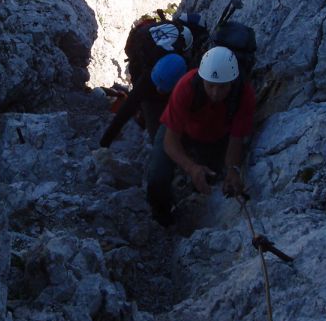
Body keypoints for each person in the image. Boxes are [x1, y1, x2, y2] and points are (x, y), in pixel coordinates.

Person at [146, 46, 256, 226]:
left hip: (214, 137)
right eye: (210, 85)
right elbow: (170, 141)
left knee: (210, 179)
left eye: (222, 87)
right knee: (158, 177)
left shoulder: (243, 95)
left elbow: (236, 138)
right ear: (202, 79)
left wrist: (232, 170)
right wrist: (191, 167)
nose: (215, 93)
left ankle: (191, 205)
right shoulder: (186, 87)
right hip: (181, 131)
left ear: (232, 82)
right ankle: (161, 217)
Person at [100, 53, 188, 147]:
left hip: (173, 98)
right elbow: (125, 111)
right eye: (157, 84)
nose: (158, 88)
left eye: (162, 87)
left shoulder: (187, 86)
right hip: (151, 94)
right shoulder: (146, 81)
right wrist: (105, 141)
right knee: (156, 131)